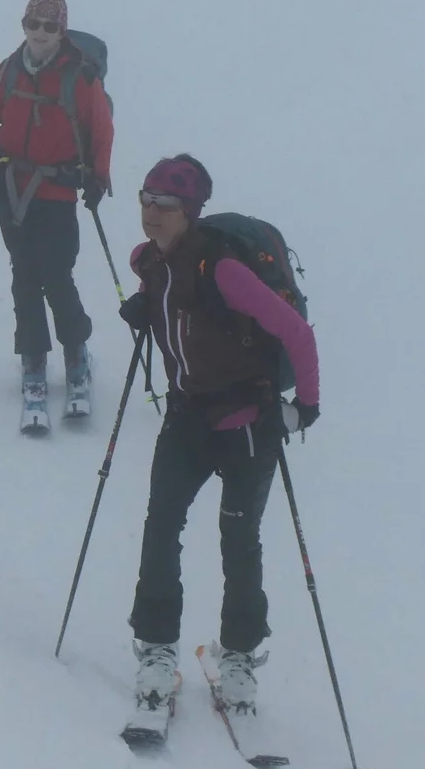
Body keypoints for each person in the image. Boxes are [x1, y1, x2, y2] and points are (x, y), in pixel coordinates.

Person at [116, 155, 320, 725]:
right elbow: (159, 292)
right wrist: (146, 307)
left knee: (239, 539)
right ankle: (157, 649)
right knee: (161, 527)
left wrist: (305, 407)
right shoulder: (148, 262)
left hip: (247, 423)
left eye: (165, 205)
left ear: (190, 212)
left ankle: (238, 659)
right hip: (186, 418)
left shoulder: (226, 271)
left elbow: (296, 334)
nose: (151, 213)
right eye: (145, 199)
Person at [0, 0, 113, 428]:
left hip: (59, 191)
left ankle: (75, 354)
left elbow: (101, 129)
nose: (41, 34)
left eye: (50, 27)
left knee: (56, 277)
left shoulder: (80, 76)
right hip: (14, 190)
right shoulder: (7, 72)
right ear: (24, 25)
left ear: (62, 30)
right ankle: (33, 361)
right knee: (25, 280)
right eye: (33, 24)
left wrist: (98, 178)